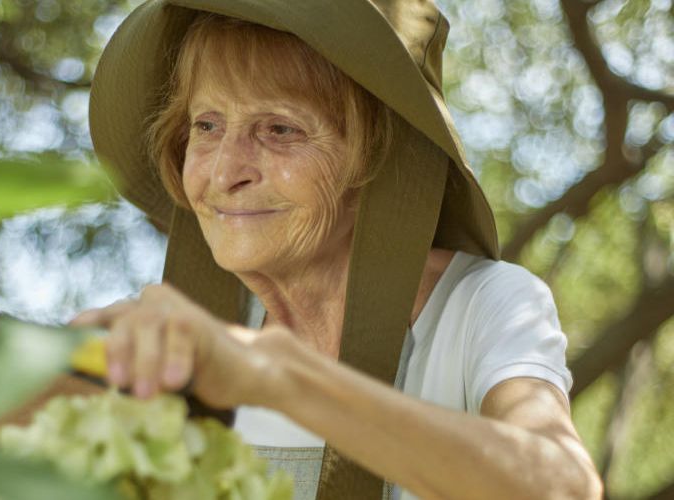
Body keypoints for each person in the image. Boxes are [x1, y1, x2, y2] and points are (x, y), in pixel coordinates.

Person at [72, 1, 602, 499]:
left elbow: (563, 486)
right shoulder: (175, 338)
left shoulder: (481, 305)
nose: (224, 172)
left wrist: (277, 377)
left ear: (380, 158)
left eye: (280, 129)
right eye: (206, 125)